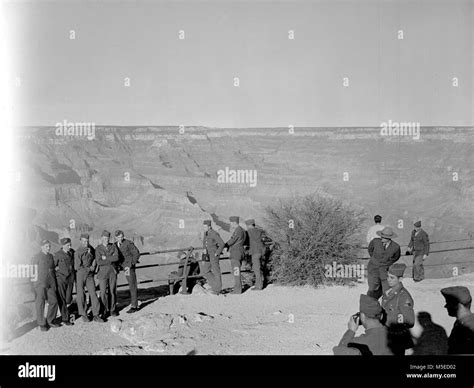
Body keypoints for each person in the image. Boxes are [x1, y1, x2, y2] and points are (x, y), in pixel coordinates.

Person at [381, 263, 415, 355]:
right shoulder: (388, 292)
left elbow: (410, 321)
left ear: (400, 279)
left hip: (396, 338)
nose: (388, 280)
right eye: (388, 276)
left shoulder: (403, 296)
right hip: (385, 335)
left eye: (392, 278)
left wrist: (386, 319)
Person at [31, 240, 60, 331]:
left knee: (54, 301)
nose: (49, 248)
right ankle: (41, 324)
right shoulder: (36, 257)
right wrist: (34, 285)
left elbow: (52, 269)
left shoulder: (51, 256)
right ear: (42, 247)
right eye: (46, 246)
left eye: (49, 246)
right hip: (40, 284)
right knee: (40, 304)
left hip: (50, 284)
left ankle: (50, 320)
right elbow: (33, 271)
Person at [74, 233, 103, 322]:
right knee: (81, 295)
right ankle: (84, 314)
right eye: (83, 241)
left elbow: (95, 258)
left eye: (87, 241)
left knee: (93, 294)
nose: (85, 243)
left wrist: (94, 264)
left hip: (90, 275)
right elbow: (77, 267)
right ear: (80, 241)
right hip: (81, 274)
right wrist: (90, 268)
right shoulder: (78, 252)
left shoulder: (91, 249)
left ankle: (96, 314)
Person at [367, 227, 401, 300]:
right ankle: (370, 305)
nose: (381, 238)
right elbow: (370, 250)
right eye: (381, 236)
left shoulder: (396, 247)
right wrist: (375, 259)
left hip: (385, 270)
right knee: (372, 288)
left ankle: (385, 306)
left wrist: (387, 263)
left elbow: (396, 257)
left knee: (387, 289)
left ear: (388, 238)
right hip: (373, 268)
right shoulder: (375, 241)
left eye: (383, 237)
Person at [440, 286, 474, 354]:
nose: (445, 306)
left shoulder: (468, 325)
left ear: (459, 305)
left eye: (448, 302)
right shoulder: (461, 322)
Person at [115, 230, 140, 313]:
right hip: (120, 266)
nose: (120, 238)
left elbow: (136, 253)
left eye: (122, 236)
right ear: (116, 237)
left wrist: (131, 263)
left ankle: (134, 305)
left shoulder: (128, 243)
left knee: (132, 284)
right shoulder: (115, 245)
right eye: (118, 237)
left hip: (128, 267)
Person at [95, 230, 119, 317]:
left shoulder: (113, 246)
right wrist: (110, 259)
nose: (106, 240)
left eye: (108, 238)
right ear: (101, 238)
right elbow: (99, 262)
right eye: (104, 238)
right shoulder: (98, 249)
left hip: (112, 272)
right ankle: (104, 310)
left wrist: (106, 258)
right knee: (103, 292)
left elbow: (116, 258)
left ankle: (112, 310)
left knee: (112, 291)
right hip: (103, 273)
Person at [53, 237, 75, 325]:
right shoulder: (58, 254)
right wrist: (57, 273)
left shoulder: (72, 252)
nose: (69, 246)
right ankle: (65, 318)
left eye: (70, 245)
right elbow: (52, 267)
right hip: (61, 279)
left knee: (68, 298)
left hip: (70, 279)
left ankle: (66, 313)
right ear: (63, 245)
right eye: (67, 245)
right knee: (62, 299)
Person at [224, 216, 246, 294]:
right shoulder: (243, 230)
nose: (230, 224)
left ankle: (238, 290)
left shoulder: (238, 230)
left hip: (236, 252)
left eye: (231, 223)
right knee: (237, 271)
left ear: (234, 223)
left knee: (236, 271)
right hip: (240, 251)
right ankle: (237, 288)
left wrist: (224, 245)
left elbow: (232, 240)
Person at [202, 220, 225, 294]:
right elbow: (205, 243)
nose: (204, 228)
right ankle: (214, 285)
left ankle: (217, 289)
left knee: (216, 271)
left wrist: (217, 253)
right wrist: (204, 250)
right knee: (206, 270)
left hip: (213, 255)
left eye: (205, 227)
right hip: (207, 255)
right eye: (203, 226)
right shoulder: (206, 233)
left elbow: (222, 243)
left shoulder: (213, 233)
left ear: (209, 227)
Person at [245, 219, 266, 291]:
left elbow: (245, 239)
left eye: (247, 225)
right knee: (259, 268)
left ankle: (259, 286)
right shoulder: (259, 231)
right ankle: (259, 283)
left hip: (255, 252)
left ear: (250, 225)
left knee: (256, 268)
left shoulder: (250, 231)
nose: (247, 227)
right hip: (261, 251)